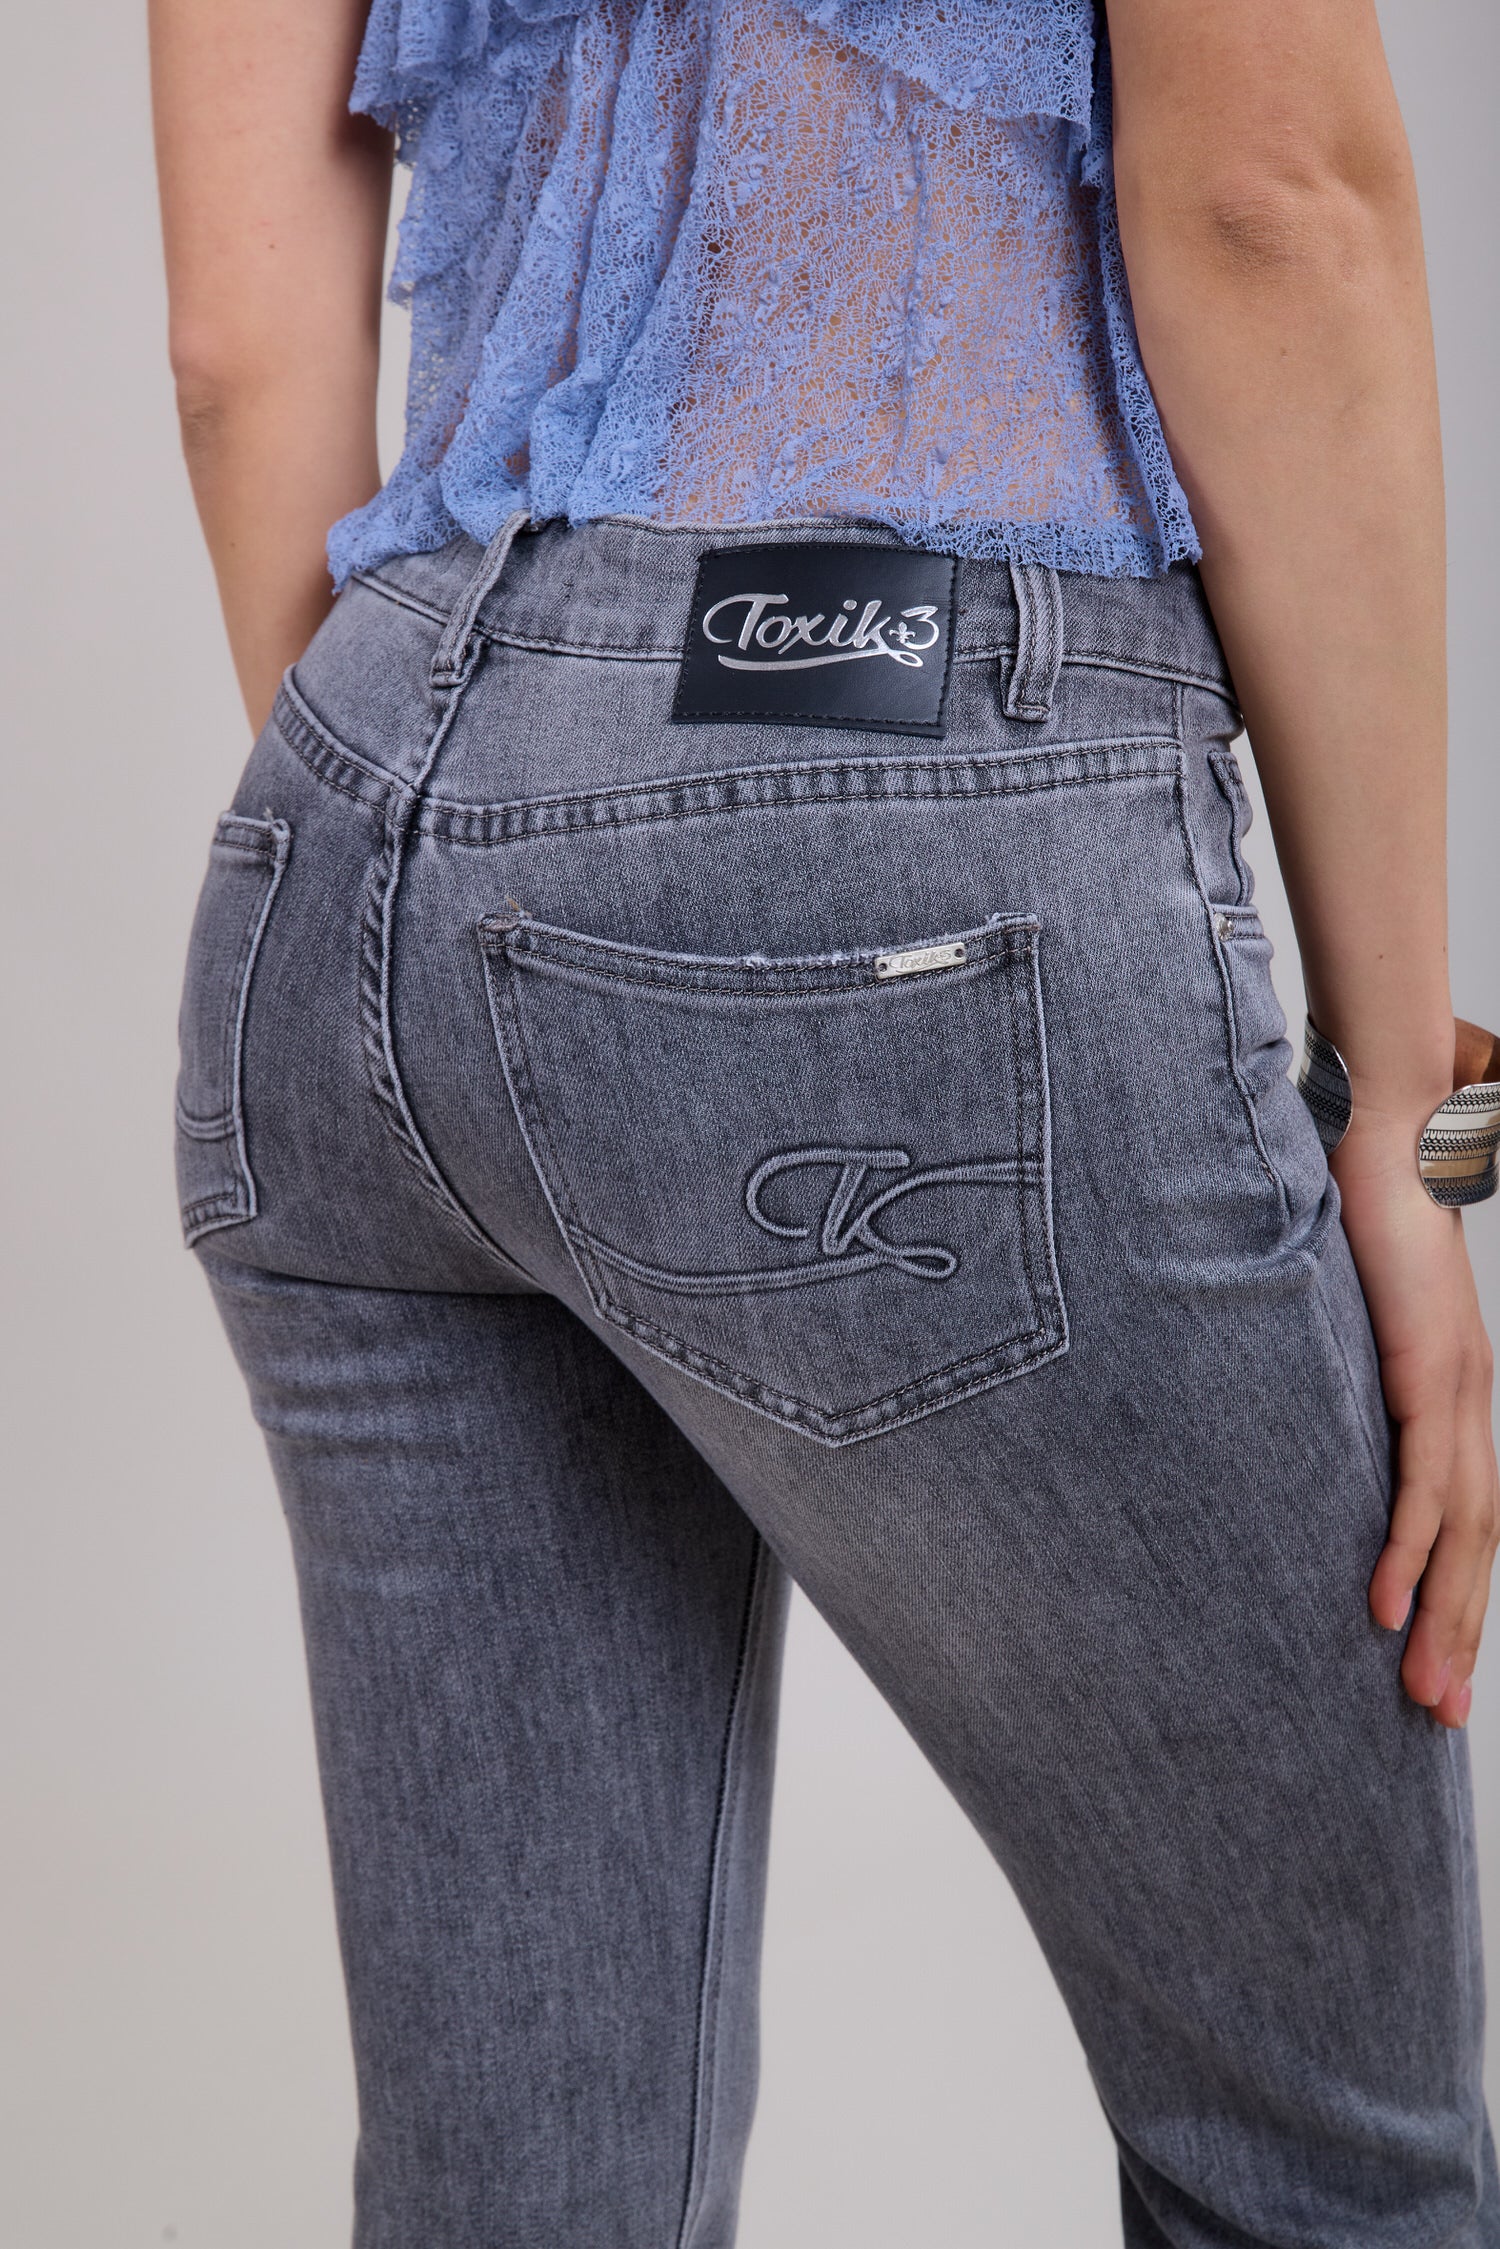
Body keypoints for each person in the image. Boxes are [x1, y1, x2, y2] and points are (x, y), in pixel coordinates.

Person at [150, 0, 1500, 2240]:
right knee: (1330, 2180)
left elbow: (231, 345)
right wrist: (1409, 1114)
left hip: (344, 816)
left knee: (525, 2201)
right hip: (900, 772)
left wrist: (469, 856)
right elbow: (1275, 202)